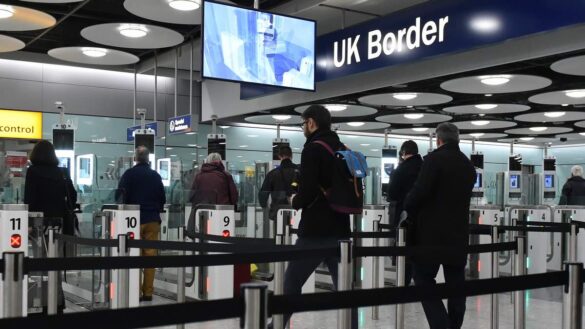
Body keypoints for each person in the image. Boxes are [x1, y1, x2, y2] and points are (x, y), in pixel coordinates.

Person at [277, 104, 352, 327]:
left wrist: (295, 201)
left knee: (292, 281)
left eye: (303, 123)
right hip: (341, 227)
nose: (302, 128)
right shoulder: (341, 146)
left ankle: (278, 325)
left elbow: (308, 190)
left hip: (316, 229)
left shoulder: (313, 149)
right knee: (345, 287)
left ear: (311, 123)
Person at [404, 123, 476, 329]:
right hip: (458, 234)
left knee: (423, 278)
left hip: (431, 234)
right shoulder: (467, 165)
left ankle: (441, 325)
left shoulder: (434, 160)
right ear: (458, 139)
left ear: (438, 139)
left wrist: (408, 205)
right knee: (456, 285)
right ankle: (453, 325)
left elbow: (420, 191)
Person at [24, 140, 77, 314]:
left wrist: (28, 222)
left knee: (41, 262)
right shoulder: (61, 172)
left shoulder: (33, 171)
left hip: (39, 223)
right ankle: (58, 302)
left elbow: (29, 199)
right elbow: (73, 196)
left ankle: (43, 301)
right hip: (59, 223)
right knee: (55, 263)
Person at [116, 146, 166, 302]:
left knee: (135, 255)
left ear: (135, 158)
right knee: (150, 257)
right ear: (148, 158)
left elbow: (120, 196)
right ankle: (148, 293)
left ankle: (135, 291)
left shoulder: (129, 174)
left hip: (134, 220)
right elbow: (162, 198)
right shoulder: (155, 176)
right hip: (152, 219)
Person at [386, 140, 422, 285]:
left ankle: (403, 282)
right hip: (423, 216)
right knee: (418, 249)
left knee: (404, 248)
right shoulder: (425, 167)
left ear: (403, 153)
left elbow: (392, 194)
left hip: (404, 216)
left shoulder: (400, 170)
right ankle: (419, 280)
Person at [258, 145, 299, 221]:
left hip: (277, 212)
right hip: (297, 212)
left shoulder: (272, 173)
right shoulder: (300, 171)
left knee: (279, 232)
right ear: (291, 155)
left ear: (279, 156)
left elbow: (263, 195)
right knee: (296, 231)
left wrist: (265, 207)